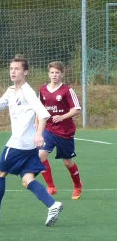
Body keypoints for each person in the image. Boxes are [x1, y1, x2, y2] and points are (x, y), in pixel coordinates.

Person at [0, 54, 63, 226]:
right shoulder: (11, 91)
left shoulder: (27, 92)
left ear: (25, 72)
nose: (13, 72)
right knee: (27, 179)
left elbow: (44, 114)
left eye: (17, 69)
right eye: (11, 69)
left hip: (18, 144)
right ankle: (53, 204)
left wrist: (39, 135)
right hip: (28, 147)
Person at [38, 61, 83, 199]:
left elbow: (77, 109)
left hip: (65, 131)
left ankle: (77, 185)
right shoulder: (42, 90)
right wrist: (37, 124)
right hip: (49, 129)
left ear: (62, 74)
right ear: (48, 74)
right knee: (40, 156)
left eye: (57, 73)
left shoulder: (67, 91)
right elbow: (39, 109)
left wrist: (63, 116)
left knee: (67, 162)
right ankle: (51, 186)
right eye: (52, 72)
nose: (54, 75)